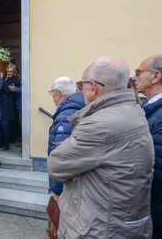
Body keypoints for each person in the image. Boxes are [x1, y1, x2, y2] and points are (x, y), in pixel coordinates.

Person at [47, 56, 154, 238]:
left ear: (93, 87)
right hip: (122, 220)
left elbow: (56, 165)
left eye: (81, 86)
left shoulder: (99, 123)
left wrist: (77, 168)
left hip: (99, 226)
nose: (80, 91)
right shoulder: (133, 110)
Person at [133, 54, 162, 239]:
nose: (135, 77)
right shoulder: (149, 108)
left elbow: (157, 168)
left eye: (139, 72)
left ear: (156, 76)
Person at [47, 76, 85, 201]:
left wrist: (57, 188)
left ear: (57, 94)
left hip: (66, 188)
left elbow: (61, 156)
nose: (52, 96)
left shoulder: (65, 115)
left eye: (52, 93)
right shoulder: (77, 107)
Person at [0, 63, 20, 150]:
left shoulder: (15, 81)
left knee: (5, 124)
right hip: (0, 104)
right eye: (8, 71)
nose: (9, 73)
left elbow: (7, 89)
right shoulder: (3, 79)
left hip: (8, 106)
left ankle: (6, 144)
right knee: (0, 124)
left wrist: (0, 80)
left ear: (14, 72)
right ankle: (0, 143)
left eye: (11, 71)